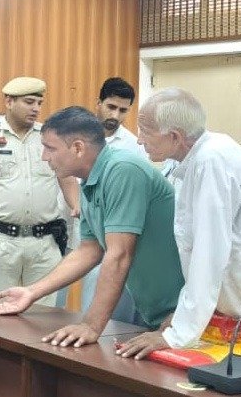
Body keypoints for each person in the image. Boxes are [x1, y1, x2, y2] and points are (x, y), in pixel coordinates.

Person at [118, 88, 241, 360]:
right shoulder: (196, 160)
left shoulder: (212, 160)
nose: (139, 140)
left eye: (146, 131)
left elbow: (208, 255)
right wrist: (182, 318)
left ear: (175, 136)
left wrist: (176, 334)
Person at [0, 106, 185, 348]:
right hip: (152, 310)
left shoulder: (123, 169)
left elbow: (119, 254)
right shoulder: (92, 180)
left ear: (78, 148)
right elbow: (89, 250)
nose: (44, 157)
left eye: (50, 148)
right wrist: (32, 292)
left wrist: (91, 325)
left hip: (180, 312)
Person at [0, 76, 78, 306]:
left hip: (45, 242)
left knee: (44, 314)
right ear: (9, 102)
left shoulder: (50, 138)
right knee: (1, 309)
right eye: (29, 102)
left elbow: (67, 179)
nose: (36, 108)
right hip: (2, 242)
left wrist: (76, 207)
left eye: (39, 103)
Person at [77, 77, 145, 318]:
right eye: (111, 107)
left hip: (110, 239)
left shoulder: (133, 146)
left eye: (123, 110)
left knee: (96, 304)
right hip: (75, 233)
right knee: (58, 305)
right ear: (98, 103)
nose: (115, 115)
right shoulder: (77, 136)